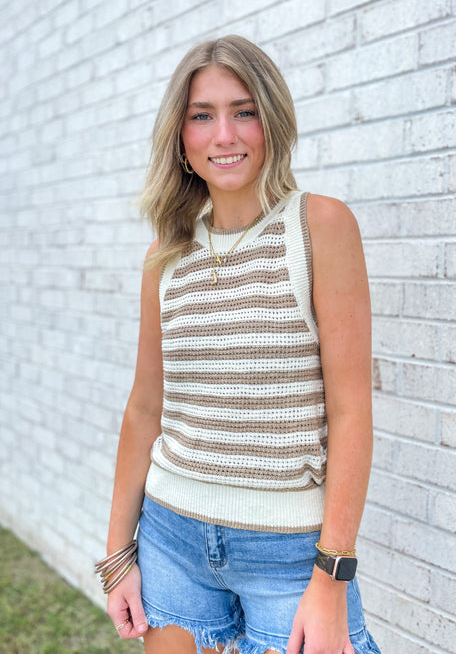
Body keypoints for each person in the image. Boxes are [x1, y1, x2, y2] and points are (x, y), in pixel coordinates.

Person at [96, 35, 380, 654]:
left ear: (272, 120)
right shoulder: (164, 257)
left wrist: (332, 576)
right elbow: (145, 408)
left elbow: (352, 411)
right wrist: (118, 554)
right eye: (202, 115)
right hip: (171, 539)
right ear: (181, 137)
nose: (224, 134)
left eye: (243, 110)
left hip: (289, 555)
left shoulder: (319, 227)